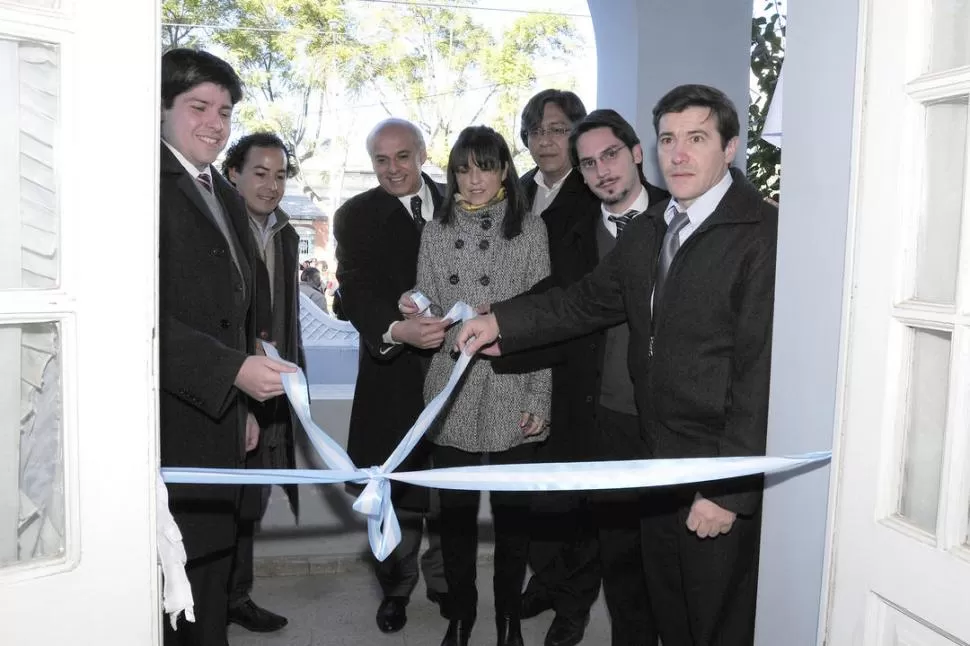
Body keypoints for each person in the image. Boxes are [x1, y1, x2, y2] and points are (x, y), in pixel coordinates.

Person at [457, 84, 778, 645]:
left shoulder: (762, 233)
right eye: (669, 139)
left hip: (709, 466)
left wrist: (727, 489)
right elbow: (582, 302)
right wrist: (501, 322)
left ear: (729, 148)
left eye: (696, 139)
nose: (677, 154)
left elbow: (759, 372)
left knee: (715, 622)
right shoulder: (653, 229)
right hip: (650, 460)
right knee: (664, 610)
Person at [158, 48, 296, 646]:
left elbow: (239, 313)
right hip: (171, 419)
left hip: (220, 418)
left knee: (211, 577)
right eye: (199, 107)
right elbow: (137, 322)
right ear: (160, 108)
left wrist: (241, 409)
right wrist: (231, 373)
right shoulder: (142, 186)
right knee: (175, 589)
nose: (215, 122)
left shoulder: (217, 188)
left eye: (225, 110)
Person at [407, 125, 551, 646]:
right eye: (463, 169)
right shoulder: (435, 229)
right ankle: (461, 616)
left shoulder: (531, 228)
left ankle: (509, 618)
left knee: (515, 517)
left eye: (485, 167)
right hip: (454, 384)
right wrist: (414, 305)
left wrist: (539, 397)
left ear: (504, 170)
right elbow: (428, 295)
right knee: (456, 518)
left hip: (515, 379)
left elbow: (543, 319)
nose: (473, 180)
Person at [333, 118, 448, 634]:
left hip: (455, 374)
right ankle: (395, 590)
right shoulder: (354, 215)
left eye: (402, 156)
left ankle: (447, 585)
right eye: (381, 159)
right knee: (392, 492)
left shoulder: (461, 199)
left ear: (422, 155)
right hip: (391, 374)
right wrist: (397, 329)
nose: (392, 168)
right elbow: (354, 290)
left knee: (449, 490)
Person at [511, 88, 604, 646]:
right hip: (517, 361)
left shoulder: (594, 194)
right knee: (528, 483)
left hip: (576, 364)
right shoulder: (514, 193)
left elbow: (579, 286)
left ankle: (575, 603)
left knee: (576, 491)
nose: (546, 140)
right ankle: (546, 579)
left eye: (558, 129)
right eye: (536, 131)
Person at [221, 132, 304, 633]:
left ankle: (237, 596)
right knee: (217, 503)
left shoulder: (287, 234)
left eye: (279, 175)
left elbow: (286, 316)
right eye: (259, 172)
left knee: (252, 498)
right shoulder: (218, 225)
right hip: (226, 379)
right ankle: (203, 605)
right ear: (234, 173)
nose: (271, 185)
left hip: (273, 383)